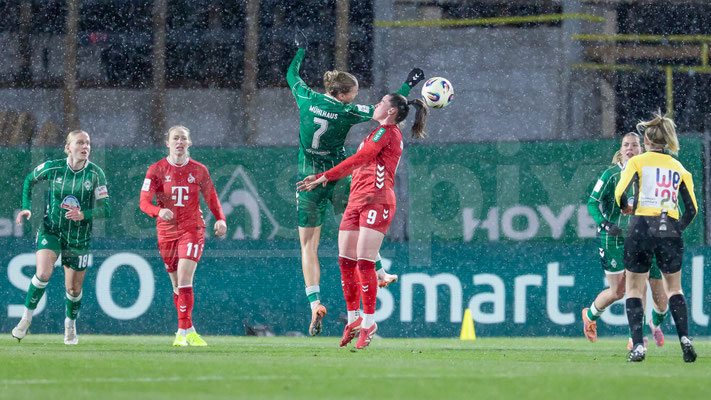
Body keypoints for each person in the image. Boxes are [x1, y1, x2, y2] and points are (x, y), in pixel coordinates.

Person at [287, 36, 425, 336]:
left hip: (307, 177)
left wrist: (300, 50)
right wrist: (406, 87)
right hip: (338, 175)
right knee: (361, 226)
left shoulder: (306, 98)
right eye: (354, 93)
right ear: (343, 95)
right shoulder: (347, 111)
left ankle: (314, 302)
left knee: (308, 246)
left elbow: (291, 76)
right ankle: (380, 271)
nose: (357, 97)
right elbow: (386, 112)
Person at [11, 130, 110, 345]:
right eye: (80, 143)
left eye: (88, 143)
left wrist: (84, 214)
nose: (85, 147)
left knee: (73, 289)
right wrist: (27, 207)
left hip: (79, 236)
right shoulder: (53, 168)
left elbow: (105, 209)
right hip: (52, 229)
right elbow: (29, 180)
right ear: (68, 148)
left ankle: (70, 325)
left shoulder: (96, 174)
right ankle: (26, 319)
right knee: (43, 273)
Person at [615, 112, 698, 362]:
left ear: (646, 141)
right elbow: (692, 209)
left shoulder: (637, 162)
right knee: (674, 289)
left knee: (634, 289)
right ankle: (685, 339)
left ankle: (638, 346)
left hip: (641, 225)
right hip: (668, 226)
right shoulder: (679, 168)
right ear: (666, 141)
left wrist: (624, 207)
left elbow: (620, 193)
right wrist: (675, 228)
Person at [140, 125, 227, 347]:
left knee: (185, 278)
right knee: (177, 284)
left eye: (183, 138)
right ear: (167, 143)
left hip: (192, 229)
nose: (179, 142)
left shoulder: (199, 170)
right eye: (175, 138)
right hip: (166, 232)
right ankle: (189, 330)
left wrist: (220, 218)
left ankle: (180, 331)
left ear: (189, 143)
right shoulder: (156, 170)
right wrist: (158, 211)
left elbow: (211, 197)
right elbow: (143, 202)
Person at [582, 132, 669, 350]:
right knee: (618, 292)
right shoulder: (611, 175)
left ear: (641, 149)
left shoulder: (647, 174)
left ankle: (636, 338)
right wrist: (604, 224)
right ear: (620, 150)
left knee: (641, 287)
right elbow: (592, 203)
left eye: (634, 145)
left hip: (641, 239)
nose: (630, 148)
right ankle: (590, 315)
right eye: (626, 145)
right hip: (613, 239)